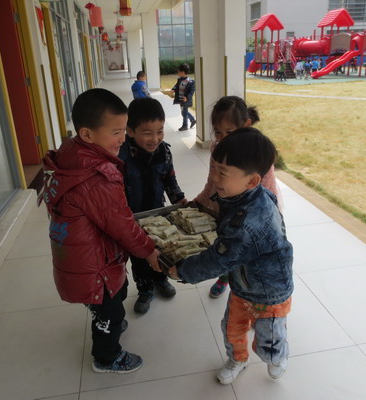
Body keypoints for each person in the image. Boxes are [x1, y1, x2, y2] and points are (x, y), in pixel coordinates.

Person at [39, 88, 160, 374]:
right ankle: (106, 357)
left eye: (124, 130)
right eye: (116, 132)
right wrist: (149, 251)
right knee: (112, 310)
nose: (123, 138)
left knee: (115, 293)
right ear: (87, 134)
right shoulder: (97, 178)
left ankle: (104, 315)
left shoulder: (71, 153)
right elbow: (121, 223)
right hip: (93, 264)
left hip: (80, 253)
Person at [164, 128, 294, 385]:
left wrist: (183, 271)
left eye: (222, 172)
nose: (215, 177)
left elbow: (219, 260)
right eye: (214, 168)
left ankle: (277, 356)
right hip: (243, 286)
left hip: (270, 292)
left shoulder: (249, 224)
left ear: (252, 181)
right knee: (231, 328)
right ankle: (238, 358)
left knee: (269, 338)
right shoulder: (242, 196)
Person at [194, 96, 283, 299]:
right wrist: (200, 201)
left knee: (247, 251)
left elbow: (267, 192)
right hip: (227, 206)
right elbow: (213, 181)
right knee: (227, 245)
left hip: (254, 213)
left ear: (246, 125)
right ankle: (225, 277)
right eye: (218, 132)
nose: (223, 138)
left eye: (230, 132)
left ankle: (248, 288)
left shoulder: (257, 153)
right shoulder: (217, 148)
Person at [118, 97, 186, 314]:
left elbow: (170, 180)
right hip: (132, 219)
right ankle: (145, 289)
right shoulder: (120, 157)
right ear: (130, 131)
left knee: (161, 250)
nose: (155, 139)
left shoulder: (164, 152)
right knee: (139, 257)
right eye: (147, 133)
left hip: (158, 214)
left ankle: (160, 280)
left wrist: (179, 200)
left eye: (160, 131)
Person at [171, 63, 196, 131]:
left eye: (178, 71)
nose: (178, 73)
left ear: (182, 72)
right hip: (180, 99)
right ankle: (192, 120)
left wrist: (187, 97)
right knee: (183, 112)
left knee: (184, 112)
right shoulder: (180, 79)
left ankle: (185, 125)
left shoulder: (190, 82)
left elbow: (191, 92)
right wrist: (173, 89)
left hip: (185, 100)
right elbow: (176, 86)